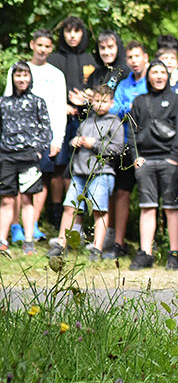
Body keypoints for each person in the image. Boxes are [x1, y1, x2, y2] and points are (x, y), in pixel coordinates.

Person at [2, 29, 66, 243]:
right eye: (40, 45)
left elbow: (57, 111)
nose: (43, 49)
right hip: (10, 149)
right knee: (12, 191)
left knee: (38, 184)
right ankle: (14, 228)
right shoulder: (16, 76)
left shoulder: (56, 75)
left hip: (37, 145)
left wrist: (55, 140)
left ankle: (33, 226)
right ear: (32, 44)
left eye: (48, 46)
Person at [46, 85, 124, 260]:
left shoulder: (115, 122)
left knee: (99, 210)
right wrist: (75, 141)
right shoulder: (87, 121)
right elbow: (78, 137)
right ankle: (61, 244)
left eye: (104, 101)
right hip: (79, 171)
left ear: (111, 103)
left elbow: (118, 149)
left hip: (101, 172)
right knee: (70, 208)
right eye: (96, 101)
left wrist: (94, 144)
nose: (99, 104)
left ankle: (97, 248)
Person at [128, 59, 178, 270]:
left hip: (168, 160)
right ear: (148, 75)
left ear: (168, 75)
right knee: (147, 208)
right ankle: (145, 253)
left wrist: (174, 156)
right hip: (145, 160)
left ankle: (174, 254)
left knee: (171, 208)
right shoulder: (140, 101)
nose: (159, 76)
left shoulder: (176, 100)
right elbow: (131, 132)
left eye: (163, 72)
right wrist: (135, 156)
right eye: (155, 72)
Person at [46, 16, 96, 229]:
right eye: (68, 31)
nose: (72, 35)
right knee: (59, 167)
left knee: (78, 168)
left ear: (83, 33)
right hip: (60, 120)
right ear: (63, 34)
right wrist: (62, 106)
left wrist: (89, 99)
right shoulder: (54, 59)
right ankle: (56, 214)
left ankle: (76, 213)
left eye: (77, 31)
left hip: (84, 120)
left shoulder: (91, 59)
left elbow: (97, 90)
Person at [104, 40, 150, 259]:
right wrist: (132, 108)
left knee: (149, 196)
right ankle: (119, 243)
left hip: (149, 146)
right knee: (121, 193)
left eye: (137, 57)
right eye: (130, 57)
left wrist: (132, 108)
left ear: (145, 58)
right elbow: (115, 108)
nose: (134, 61)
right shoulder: (123, 85)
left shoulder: (151, 83)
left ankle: (149, 245)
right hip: (126, 144)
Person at [0, 62, 52, 253]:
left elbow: (46, 129)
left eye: (25, 75)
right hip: (6, 157)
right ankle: (2, 240)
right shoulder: (3, 103)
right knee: (6, 199)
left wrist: (38, 150)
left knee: (28, 199)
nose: (21, 79)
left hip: (29, 157)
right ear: (12, 78)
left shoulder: (38, 102)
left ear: (30, 78)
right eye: (18, 75)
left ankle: (28, 241)